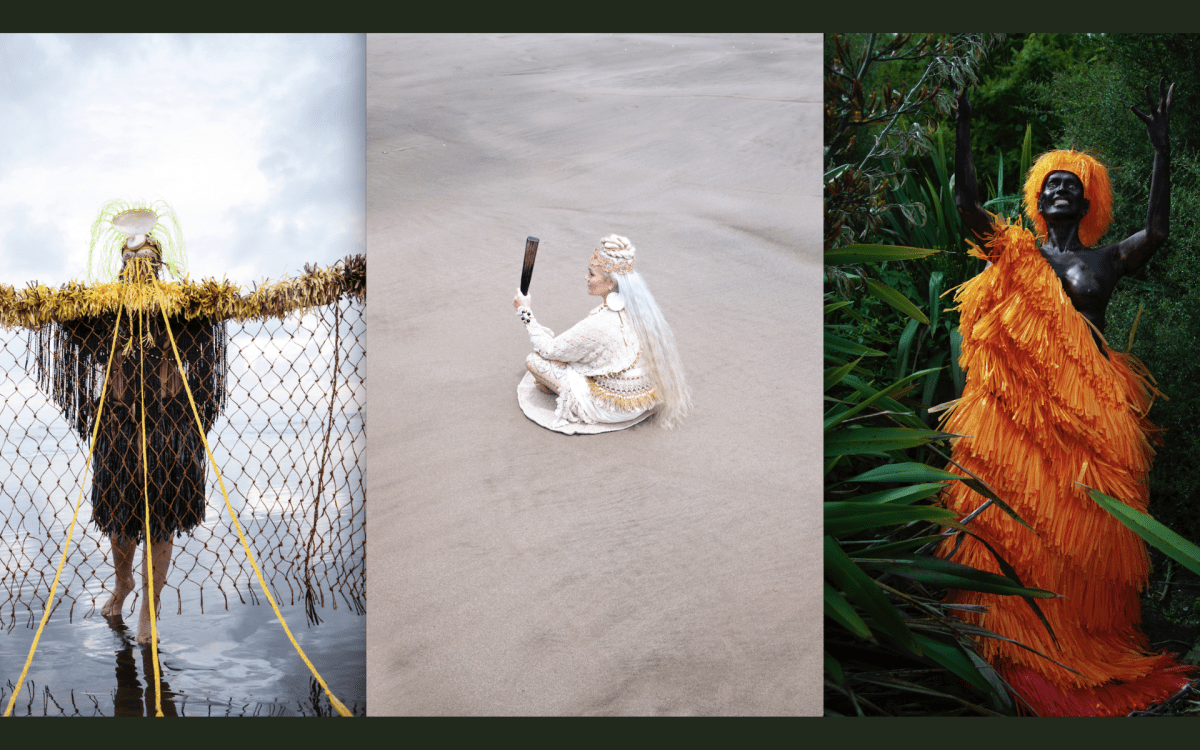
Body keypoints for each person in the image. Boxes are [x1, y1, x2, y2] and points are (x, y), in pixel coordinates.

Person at [938, 81, 1194, 716]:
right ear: (1036, 200)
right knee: (1018, 526)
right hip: (1019, 420)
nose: (1057, 191)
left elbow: (1157, 232)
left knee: (1081, 534)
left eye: (1070, 186)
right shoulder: (1014, 252)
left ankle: (1086, 642)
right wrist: (962, 132)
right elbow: (968, 207)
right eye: (1049, 184)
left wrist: (1160, 150)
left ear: (1087, 204)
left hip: (1092, 420)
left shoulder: (1104, 262)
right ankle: (1018, 648)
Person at [4, 199, 363, 645]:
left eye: (148, 261)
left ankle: (149, 613)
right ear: (120, 267)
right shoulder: (100, 314)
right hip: (117, 434)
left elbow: (234, 313)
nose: (138, 269)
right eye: (131, 261)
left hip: (172, 435)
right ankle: (123, 583)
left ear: (161, 265)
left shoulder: (185, 312)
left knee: (161, 524)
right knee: (118, 520)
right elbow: (54, 319)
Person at [512, 234, 690, 430]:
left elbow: (548, 349)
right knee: (574, 355)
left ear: (611, 282)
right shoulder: (640, 311)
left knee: (534, 360)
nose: (586, 278)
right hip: (640, 402)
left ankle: (569, 396)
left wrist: (525, 311)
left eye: (592, 274)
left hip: (611, 410)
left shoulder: (599, 322)